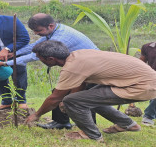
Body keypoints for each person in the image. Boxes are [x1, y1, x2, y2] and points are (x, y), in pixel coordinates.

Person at [25, 40, 156, 141]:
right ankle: (127, 124)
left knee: (70, 100)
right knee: (84, 98)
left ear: (50, 59)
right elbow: (82, 83)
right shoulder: (80, 54)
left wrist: (36, 115)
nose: (39, 60)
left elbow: (55, 98)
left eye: (39, 58)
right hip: (141, 81)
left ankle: (91, 134)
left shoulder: (72, 67)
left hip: (141, 86)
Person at [0, 13, 98, 129]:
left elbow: (35, 56)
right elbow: (34, 46)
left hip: (92, 69)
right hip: (79, 67)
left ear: (50, 26)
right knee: (59, 92)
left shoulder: (61, 36)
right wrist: (14, 54)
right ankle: (61, 122)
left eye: (38, 30)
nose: (36, 33)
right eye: (34, 31)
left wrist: (7, 63)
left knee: (83, 97)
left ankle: (90, 127)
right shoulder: (54, 31)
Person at [140, 42, 156, 126]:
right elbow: (141, 63)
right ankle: (148, 116)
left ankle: (149, 116)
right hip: (152, 76)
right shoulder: (147, 47)